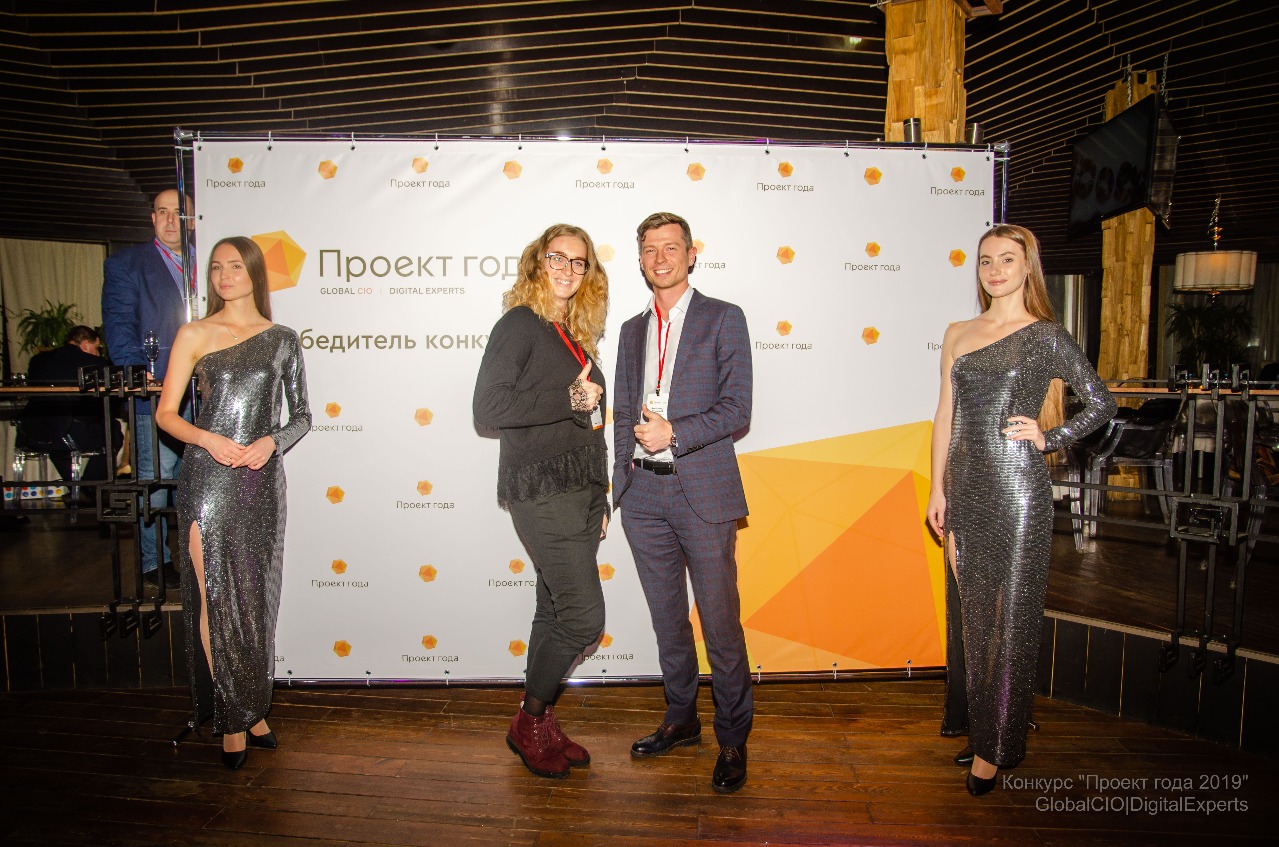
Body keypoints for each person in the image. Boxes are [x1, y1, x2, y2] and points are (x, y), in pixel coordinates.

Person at [925, 224, 1115, 797]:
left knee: (1008, 616)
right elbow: (944, 416)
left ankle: (995, 748)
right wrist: (937, 490)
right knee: (970, 614)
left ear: (1028, 266)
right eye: (986, 261)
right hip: (964, 489)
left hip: (1017, 492)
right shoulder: (957, 333)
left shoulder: (1046, 336)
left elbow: (1101, 403)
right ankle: (982, 724)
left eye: (1007, 259)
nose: (995, 270)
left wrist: (1050, 436)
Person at [155, 236, 310, 770]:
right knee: (215, 597)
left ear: (255, 274)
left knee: (254, 600)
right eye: (217, 267)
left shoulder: (283, 339)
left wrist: (271, 442)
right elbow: (167, 415)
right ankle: (232, 717)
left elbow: (302, 416)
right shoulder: (194, 333)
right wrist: (207, 439)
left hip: (260, 482)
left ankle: (251, 707)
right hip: (208, 479)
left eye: (236, 266)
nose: (225, 275)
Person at [612, 212, 754, 794]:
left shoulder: (724, 317)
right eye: (650, 249)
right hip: (643, 494)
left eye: (671, 247)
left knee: (719, 622)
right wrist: (618, 484)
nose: (661, 258)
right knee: (667, 619)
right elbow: (622, 412)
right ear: (640, 259)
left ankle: (732, 737)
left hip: (703, 491)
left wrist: (676, 432)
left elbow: (738, 408)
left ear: (692, 254)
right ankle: (681, 718)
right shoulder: (630, 330)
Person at [473, 223, 611, 779]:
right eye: (558, 257)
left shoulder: (573, 333)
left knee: (553, 610)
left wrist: (602, 495)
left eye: (580, 262)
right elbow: (488, 409)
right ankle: (527, 721)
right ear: (537, 262)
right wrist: (567, 395)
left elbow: (591, 423)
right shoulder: (520, 325)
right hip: (542, 488)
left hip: (582, 490)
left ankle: (543, 720)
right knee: (584, 618)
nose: (568, 269)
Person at [101, 188, 194, 589]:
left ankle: (197, 561)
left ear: (191, 221)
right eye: (163, 212)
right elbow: (119, 324)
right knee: (154, 481)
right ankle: (154, 563)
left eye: (179, 213)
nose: (171, 220)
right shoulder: (127, 264)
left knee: (195, 483)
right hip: (157, 391)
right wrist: (139, 373)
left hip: (208, 393)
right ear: (153, 218)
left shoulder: (210, 263)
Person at [17, 325, 123, 493]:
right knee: (113, 432)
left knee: (57, 441)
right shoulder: (94, 363)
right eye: (96, 348)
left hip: (32, 431)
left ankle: (76, 490)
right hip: (69, 432)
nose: (98, 353)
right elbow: (106, 403)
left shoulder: (38, 360)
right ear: (86, 344)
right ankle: (89, 488)